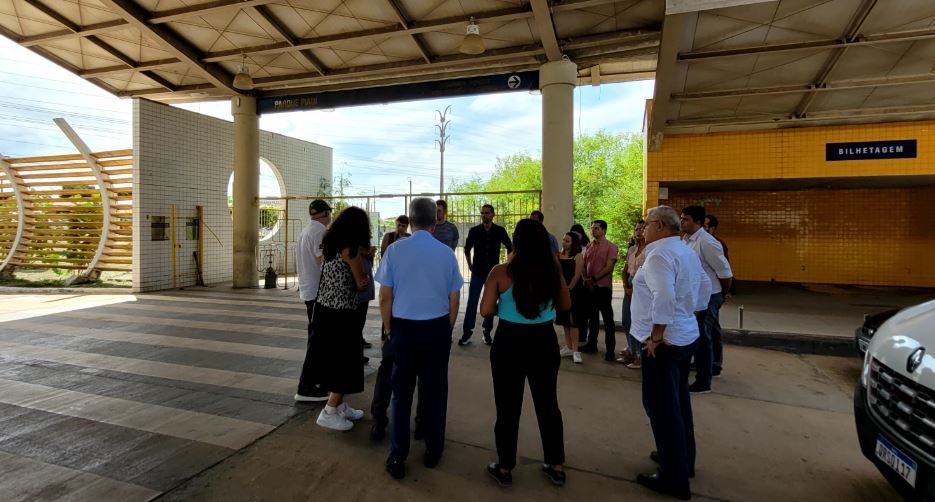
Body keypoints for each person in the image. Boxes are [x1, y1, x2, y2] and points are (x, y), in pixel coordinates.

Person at [376, 197, 463, 480]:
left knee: (401, 394)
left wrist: (390, 329)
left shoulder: (395, 251)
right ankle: (433, 450)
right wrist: (446, 328)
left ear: (410, 222)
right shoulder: (446, 254)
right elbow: (454, 298)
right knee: (435, 391)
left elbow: (385, 297)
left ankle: (397, 455)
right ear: (434, 223)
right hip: (436, 329)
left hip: (403, 329)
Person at [482, 219, 571, 488]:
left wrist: (507, 309)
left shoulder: (500, 271)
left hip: (509, 341)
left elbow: (486, 311)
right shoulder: (552, 270)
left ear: (516, 241)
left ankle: (505, 466)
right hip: (544, 340)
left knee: (507, 407)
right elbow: (566, 303)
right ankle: (555, 465)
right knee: (548, 405)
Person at [631, 205, 711, 501]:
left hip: (664, 345)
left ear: (660, 226)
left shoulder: (660, 254)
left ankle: (673, 478)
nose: (644, 227)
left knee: (661, 409)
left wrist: (656, 336)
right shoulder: (684, 250)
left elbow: (663, 296)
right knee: (678, 403)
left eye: (648, 223)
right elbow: (703, 285)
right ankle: (682, 460)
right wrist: (688, 314)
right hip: (685, 335)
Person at [313, 206, 372, 431]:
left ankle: (340, 406)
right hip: (343, 314)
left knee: (333, 359)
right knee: (345, 362)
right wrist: (364, 278)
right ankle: (329, 411)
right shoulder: (352, 250)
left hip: (325, 311)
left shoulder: (332, 246)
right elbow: (360, 282)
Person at [681, 205, 732, 393]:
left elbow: (725, 273)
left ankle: (704, 381)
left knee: (703, 338)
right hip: (694, 296)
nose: (682, 222)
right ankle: (703, 367)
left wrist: (721, 295)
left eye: (685, 219)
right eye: (681, 218)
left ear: (697, 221)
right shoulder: (686, 240)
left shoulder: (707, 242)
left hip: (709, 296)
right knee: (698, 336)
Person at [295, 199, 333, 403]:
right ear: (326, 214)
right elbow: (324, 262)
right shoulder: (319, 232)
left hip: (308, 290)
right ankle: (306, 387)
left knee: (318, 337)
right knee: (317, 339)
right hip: (318, 292)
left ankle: (316, 381)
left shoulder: (305, 231)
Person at [460, 204, 513, 346]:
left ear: (493, 215)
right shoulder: (474, 231)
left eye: (487, 213)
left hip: (493, 274)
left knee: (490, 303)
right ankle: (467, 333)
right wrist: (470, 265)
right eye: (482, 213)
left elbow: (510, 246)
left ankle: (487, 331)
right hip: (478, 272)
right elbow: (467, 249)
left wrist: (508, 265)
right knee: (472, 302)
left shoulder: (499, 231)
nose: (484, 215)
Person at [581, 220, 618, 361]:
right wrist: (586, 279)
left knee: (608, 320)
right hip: (590, 287)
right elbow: (583, 265)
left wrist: (594, 279)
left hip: (603, 288)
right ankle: (591, 345)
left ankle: (610, 351)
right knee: (593, 318)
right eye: (592, 228)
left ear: (604, 230)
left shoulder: (611, 247)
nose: (593, 231)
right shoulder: (589, 246)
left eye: (596, 228)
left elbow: (609, 267)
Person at [619, 219, 647, 369]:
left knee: (639, 322)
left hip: (641, 288)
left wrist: (633, 289)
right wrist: (625, 286)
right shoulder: (632, 249)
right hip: (629, 285)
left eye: (642, 229)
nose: (638, 232)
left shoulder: (649, 251)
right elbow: (625, 271)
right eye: (636, 229)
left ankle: (639, 356)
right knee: (627, 320)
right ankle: (631, 349)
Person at [556, 231, 585, 364]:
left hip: (574, 292)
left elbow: (577, 275)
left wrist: (568, 289)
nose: (564, 243)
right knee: (564, 321)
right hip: (561, 291)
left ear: (573, 243)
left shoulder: (578, 256)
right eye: (563, 240)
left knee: (574, 322)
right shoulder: (559, 256)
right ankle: (568, 346)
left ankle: (576, 350)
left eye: (567, 241)